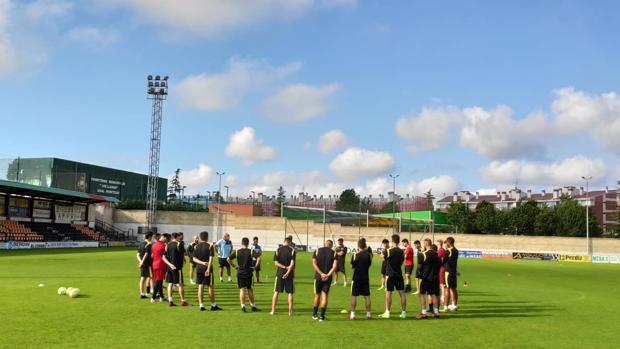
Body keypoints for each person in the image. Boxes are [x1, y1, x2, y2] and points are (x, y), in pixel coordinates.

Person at [192, 231, 223, 311]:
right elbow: (211, 258)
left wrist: (201, 262)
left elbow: (194, 259)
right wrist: (208, 269)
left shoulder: (196, 246)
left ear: (200, 237)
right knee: (210, 287)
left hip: (199, 268)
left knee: (200, 286)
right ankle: (213, 305)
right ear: (207, 237)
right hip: (207, 269)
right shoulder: (210, 246)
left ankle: (201, 305)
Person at [379, 234, 407, 319]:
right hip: (399, 274)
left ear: (392, 241)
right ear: (398, 241)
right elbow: (402, 262)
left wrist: (381, 253)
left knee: (388, 292)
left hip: (390, 274)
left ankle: (387, 312)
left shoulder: (388, 251)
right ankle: (404, 313)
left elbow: (383, 259)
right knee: (402, 293)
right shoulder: (401, 251)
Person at [228, 237, 259, 312]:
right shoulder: (251, 251)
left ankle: (243, 306)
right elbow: (259, 258)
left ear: (242, 243)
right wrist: (255, 267)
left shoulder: (237, 251)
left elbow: (228, 259)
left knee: (242, 289)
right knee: (250, 289)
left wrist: (234, 266)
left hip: (240, 273)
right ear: (248, 243)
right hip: (248, 273)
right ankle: (253, 306)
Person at [311, 240, 338, 322]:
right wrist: (327, 275)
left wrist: (321, 273)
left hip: (318, 277)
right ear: (331, 245)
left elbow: (314, 263)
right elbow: (334, 266)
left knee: (317, 295)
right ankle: (322, 317)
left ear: (324, 244)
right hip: (327, 278)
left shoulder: (317, 250)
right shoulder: (334, 253)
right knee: (325, 296)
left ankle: (315, 315)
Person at [271, 236, 296, 316]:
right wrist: (288, 272)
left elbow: (276, 263)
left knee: (276, 292)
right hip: (289, 274)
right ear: (290, 242)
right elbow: (292, 264)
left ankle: (273, 311)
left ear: (284, 241)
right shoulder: (292, 251)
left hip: (279, 274)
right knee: (290, 293)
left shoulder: (278, 250)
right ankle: (290, 311)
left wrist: (284, 268)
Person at [417, 239, 441, 319]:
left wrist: (419, 275)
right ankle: (436, 312)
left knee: (422, 294)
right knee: (433, 294)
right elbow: (439, 264)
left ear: (425, 244)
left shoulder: (423, 254)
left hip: (426, 277)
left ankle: (423, 312)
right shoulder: (436, 254)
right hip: (434, 277)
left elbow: (419, 266)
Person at [349, 238, 373, 320]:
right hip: (365, 278)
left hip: (356, 278)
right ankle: (368, 315)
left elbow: (352, 266)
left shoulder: (355, 255)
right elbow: (369, 265)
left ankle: (352, 315)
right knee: (367, 296)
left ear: (358, 246)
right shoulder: (369, 255)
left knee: (354, 296)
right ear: (365, 245)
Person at [163, 233, 188, 307]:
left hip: (169, 268)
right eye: (179, 237)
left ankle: (170, 300)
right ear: (177, 237)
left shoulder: (167, 245)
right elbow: (185, 253)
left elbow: (163, 257)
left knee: (170, 284)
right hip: (177, 268)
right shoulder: (179, 244)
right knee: (180, 284)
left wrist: (169, 264)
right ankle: (183, 301)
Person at [150, 233, 168, 303]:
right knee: (158, 281)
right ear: (162, 237)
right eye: (165, 238)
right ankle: (153, 297)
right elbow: (166, 255)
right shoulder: (164, 245)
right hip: (161, 264)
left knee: (159, 281)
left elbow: (152, 255)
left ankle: (161, 296)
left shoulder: (154, 244)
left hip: (155, 264)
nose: (166, 240)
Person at [444, 236, 459, 311]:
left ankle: (445, 307)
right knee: (453, 288)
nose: (445, 244)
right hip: (453, 272)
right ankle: (454, 305)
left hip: (448, 272)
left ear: (449, 243)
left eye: (446, 242)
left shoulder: (448, 251)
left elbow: (443, 261)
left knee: (447, 288)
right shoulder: (456, 250)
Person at [137, 232, 153, 299]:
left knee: (144, 278)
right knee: (147, 278)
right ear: (149, 237)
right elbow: (146, 254)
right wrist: (142, 262)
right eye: (151, 236)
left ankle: (143, 293)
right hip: (147, 263)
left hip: (143, 263)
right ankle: (145, 293)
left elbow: (137, 254)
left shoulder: (141, 243)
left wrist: (140, 261)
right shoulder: (148, 244)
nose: (151, 238)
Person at [436, 239, 447, 312]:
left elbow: (440, 259)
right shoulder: (441, 249)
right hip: (441, 268)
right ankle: (443, 298)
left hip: (441, 269)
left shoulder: (441, 250)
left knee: (442, 284)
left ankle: (443, 298)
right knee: (442, 284)